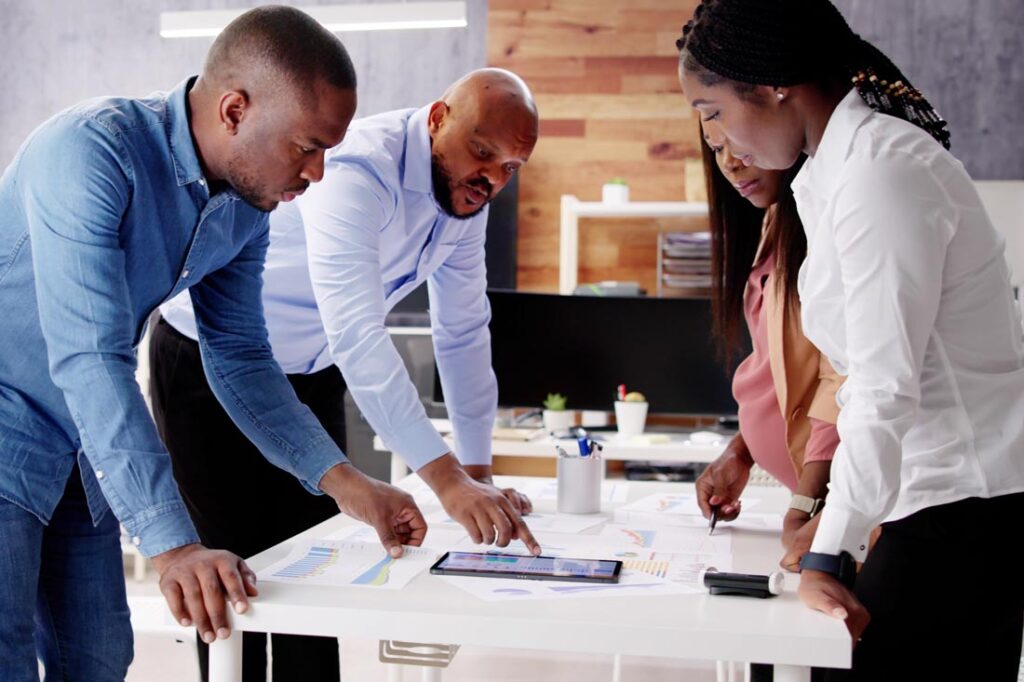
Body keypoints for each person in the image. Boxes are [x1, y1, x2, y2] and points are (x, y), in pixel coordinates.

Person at [0, 8, 427, 681]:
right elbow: (90, 355)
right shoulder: (89, 151)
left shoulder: (243, 208)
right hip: (8, 424)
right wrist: (172, 545)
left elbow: (241, 357)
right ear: (234, 110)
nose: (317, 174)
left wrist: (348, 485)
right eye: (307, 146)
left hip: (84, 452)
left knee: (100, 660)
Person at [153, 68, 541, 679]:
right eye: (482, 152)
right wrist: (443, 482)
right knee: (236, 572)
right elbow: (358, 333)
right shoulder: (357, 169)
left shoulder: (470, 196)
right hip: (209, 360)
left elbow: (463, 330)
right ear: (439, 119)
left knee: (318, 573)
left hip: (310, 372)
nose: (491, 177)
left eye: (510, 167)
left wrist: (475, 472)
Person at [678, 1, 1024, 679]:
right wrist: (834, 526)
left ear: (772, 83)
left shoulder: (880, 171)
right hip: (928, 505)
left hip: (963, 510)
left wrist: (825, 551)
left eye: (712, 111)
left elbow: (882, 387)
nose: (721, 143)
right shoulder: (832, 176)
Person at [694, 126, 842, 574]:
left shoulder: (824, 225)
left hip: (837, 502)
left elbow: (840, 378)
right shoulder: (777, 219)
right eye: (716, 148)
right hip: (812, 497)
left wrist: (808, 500)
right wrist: (742, 450)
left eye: (737, 142)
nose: (729, 163)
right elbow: (784, 368)